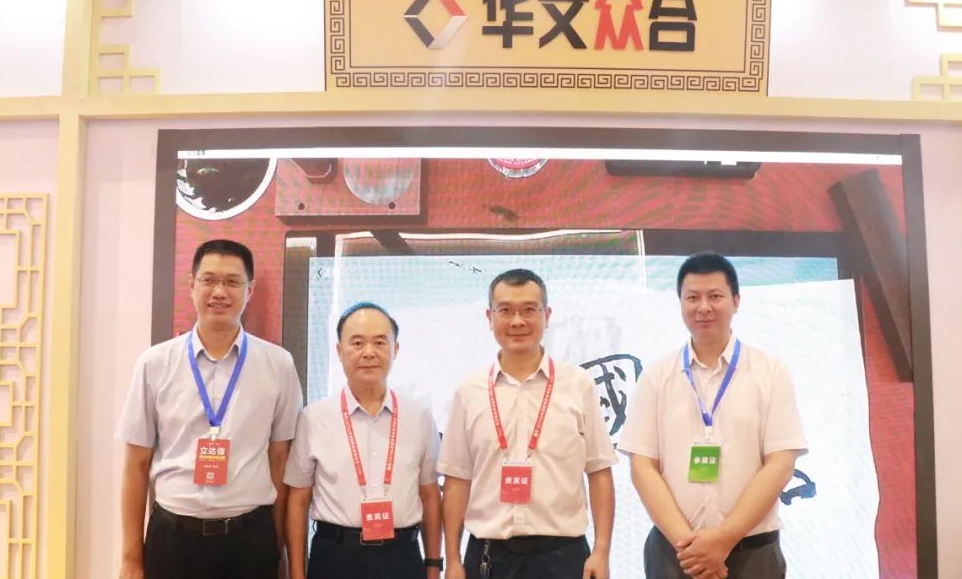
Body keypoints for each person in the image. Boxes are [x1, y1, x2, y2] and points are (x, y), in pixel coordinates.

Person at [117, 238, 304, 579]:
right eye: (209, 280)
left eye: (232, 282)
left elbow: (280, 460)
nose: (219, 292)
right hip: (173, 539)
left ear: (250, 289)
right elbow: (136, 463)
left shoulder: (278, 365)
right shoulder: (155, 363)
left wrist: (275, 547)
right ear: (192, 285)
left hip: (250, 540)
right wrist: (131, 559)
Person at [618, 252, 807, 579]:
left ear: (736, 301)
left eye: (715, 296)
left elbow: (780, 463)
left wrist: (724, 539)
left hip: (752, 552)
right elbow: (642, 466)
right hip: (674, 553)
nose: (703, 307)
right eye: (692, 297)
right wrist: (692, 549)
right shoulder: (657, 376)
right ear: (680, 303)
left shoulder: (770, 372)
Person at [439, 268, 617, 579]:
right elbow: (457, 479)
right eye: (506, 310)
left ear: (547, 316)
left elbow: (599, 471)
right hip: (488, 557)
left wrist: (601, 552)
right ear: (489, 317)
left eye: (529, 310)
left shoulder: (578, 384)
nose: (517, 321)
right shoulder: (469, 391)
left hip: (564, 556)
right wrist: (452, 559)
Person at [284, 302, 443, 579]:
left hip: (402, 558)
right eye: (357, 343)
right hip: (335, 557)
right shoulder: (314, 417)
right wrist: (297, 573)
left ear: (395, 349)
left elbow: (429, 495)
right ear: (339, 351)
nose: (369, 352)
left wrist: (433, 565)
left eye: (380, 342)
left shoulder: (419, 417)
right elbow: (298, 499)